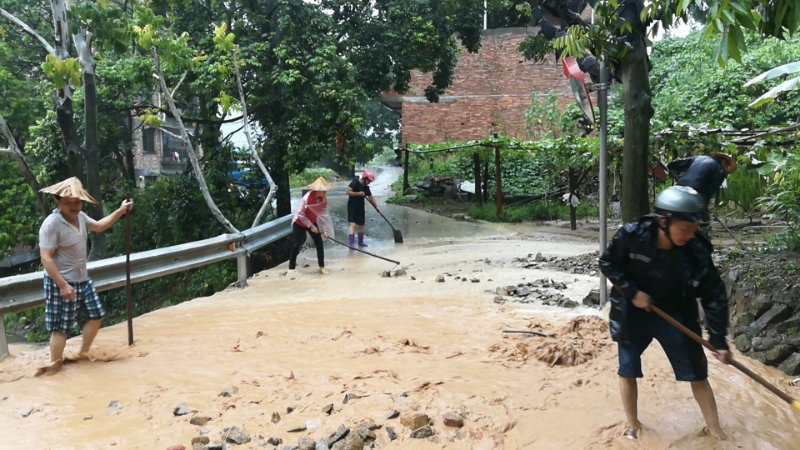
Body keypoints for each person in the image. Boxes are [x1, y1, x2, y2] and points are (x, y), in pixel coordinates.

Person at [598, 186, 732, 440]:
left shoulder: (696, 250)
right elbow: (608, 262)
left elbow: (713, 293)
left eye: (694, 229)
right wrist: (632, 292)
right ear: (663, 222)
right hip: (632, 310)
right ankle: (632, 424)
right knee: (627, 367)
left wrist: (718, 340)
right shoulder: (632, 235)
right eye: (685, 228)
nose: (690, 235)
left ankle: (715, 429)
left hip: (676, 313)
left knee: (697, 371)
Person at [38, 177, 133, 372]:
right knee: (60, 328)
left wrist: (120, 211)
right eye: (69, 202)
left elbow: (98, 226)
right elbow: (46, 258)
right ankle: (55, 367)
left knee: (96, 315)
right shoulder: (51, 225)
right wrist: (63, 285)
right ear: (58, 201)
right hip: (60, 282)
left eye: (77, 202)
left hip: (82, 279)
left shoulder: (81, 217)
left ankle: (83, 353)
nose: (74, 206)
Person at [289, 177, 333, 274]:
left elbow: (322, 216)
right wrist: (311, 227)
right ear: (317, 190)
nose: (325, 193)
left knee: (319, 243)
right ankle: (291, 268)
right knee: (296, 244)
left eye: (326, 191)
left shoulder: (323, 200)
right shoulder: (307, 198)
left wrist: (325, 230)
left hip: (312, 221)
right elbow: (300, 214)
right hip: (299, 222)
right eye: (323, 191)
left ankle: (321, 267)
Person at [667, 153, 737, 211]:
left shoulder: (699, 158)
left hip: (678, 189)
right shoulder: (720, 172)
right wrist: (705, 208)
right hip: (694, 195)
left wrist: (670, 165)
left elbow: (677, 163)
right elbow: (710, 190)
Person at [346, 170, 379, 248]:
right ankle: (351, 244)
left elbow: (371, 198)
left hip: (360, 207)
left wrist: (376, 207)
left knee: (361, 224)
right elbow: (348, 192)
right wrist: (358, 193)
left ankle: (360, 242)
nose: (370, 182)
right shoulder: (355, 182)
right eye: (369, 181)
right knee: (353, 224)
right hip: (352, 206)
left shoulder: (366, 188)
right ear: (365, 178)